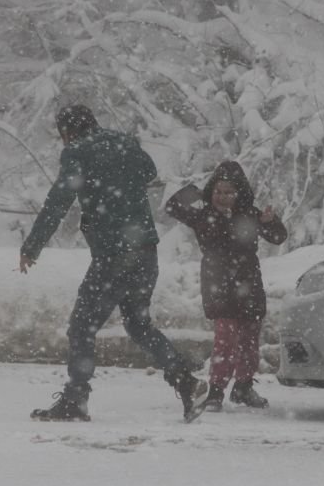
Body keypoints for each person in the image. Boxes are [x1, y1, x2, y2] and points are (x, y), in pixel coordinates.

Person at [19, 104, 208, 423]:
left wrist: (32, 246)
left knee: (82, 325)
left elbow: (59, 200)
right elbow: (149, 172)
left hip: (113, 254)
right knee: (138, 324)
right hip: (145, 249)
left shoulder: (77, 151)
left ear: (66, 132)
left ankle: (75, 400)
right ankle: (186, 382)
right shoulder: (126, 143)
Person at [165, 160, 288, 411]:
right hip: (218, 285)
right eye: (218, 191)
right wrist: (198, 190)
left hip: (249, 283)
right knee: (226, 338)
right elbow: (172, 206)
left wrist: (271, 221)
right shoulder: (202, 216)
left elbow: (278, 237)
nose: (223, 197)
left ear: (239, 192)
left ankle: (243, 388)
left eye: (229, 192)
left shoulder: (250, 215)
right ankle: (216, 391)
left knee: (250, 338)